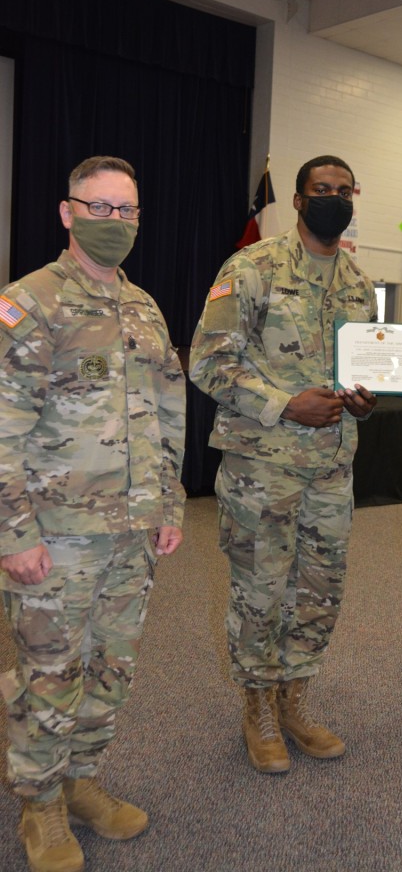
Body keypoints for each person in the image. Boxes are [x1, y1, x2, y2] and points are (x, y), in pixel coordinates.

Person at [0, 156, 186, 872]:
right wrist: (12, 533)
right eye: (100, 207)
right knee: (51, 672)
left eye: (127, 211)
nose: (115, 222)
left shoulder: (143, 306)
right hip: (55, 537)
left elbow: (168, 414)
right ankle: (39, 805)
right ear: (66, 211)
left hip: (131, 534)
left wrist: (169, 503)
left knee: (112, 666)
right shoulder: (31, 302)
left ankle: (82, 781)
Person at [189, 155, 377, 774]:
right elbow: (209, 362)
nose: (333, 198)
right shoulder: (252, 268)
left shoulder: (357, 279)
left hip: (331, 468)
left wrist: (366, 398)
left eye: (344, 190)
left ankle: (296, 700)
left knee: (319, 592)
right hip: (261, 467)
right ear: (298, 200)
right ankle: (259, 711)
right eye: (321, 189)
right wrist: (284, 404)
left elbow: (364, 370)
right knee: (260, 592)